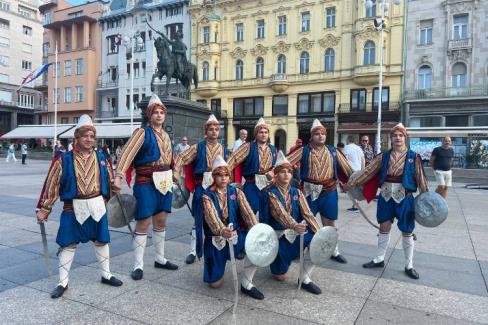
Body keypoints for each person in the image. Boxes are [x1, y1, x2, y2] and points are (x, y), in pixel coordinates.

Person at [36, 115, 123, 299]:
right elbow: (52, 185)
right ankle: (63, 282)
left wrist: (114, 187)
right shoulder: (63, 159)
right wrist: (45, 208)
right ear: (77, 137)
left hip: (97, 205)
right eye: (85, 136)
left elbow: (108, 178)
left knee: (101, 240)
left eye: (92, 136)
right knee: (69, 242)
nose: (89, 139)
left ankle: (106, 274)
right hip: (72, 206)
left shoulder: (101, 157)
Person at [344, 123, 429, 279]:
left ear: (405, 138)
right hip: (385, 195)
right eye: (395, 135)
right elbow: (368, 172)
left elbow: (421, 178)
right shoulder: (383, 156)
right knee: (384, 226)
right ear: (391, 138)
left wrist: (427, 198)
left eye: (400, 135)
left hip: (405, 197)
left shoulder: (413, 157)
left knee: (407, 230)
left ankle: (409, 265)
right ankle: (379, 259)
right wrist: (351, 184)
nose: (397, 138)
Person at [114, 94, 179, 281]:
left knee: (161, 221)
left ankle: (160, 258)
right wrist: (118, 176)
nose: (159, 115)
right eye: (155, 112)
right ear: (149, 115)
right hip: (145, 181)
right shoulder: (141, 133)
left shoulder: (166, 135)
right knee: (143, 222)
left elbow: (171, 158)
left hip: (165, 181)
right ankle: (138, 265)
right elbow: (126, 153)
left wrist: (176, 172)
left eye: (161, 112)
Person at [286, 119, 353, 264]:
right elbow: (285, 163)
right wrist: (275, 173)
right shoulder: (304, 150)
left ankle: (333, 250)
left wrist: (354, 182)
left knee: (330, 222)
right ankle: (300, 249)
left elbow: (348, 169)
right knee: (305, 222)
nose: (321, 136)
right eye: (317, 134)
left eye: (323, 134)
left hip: (329, 191)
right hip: (309, 192)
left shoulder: (333, 151)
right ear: (312, 136)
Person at [201, 155, 264, 299]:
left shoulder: (237, 192)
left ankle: (247, 284)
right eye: (219, 175)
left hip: (236, 235)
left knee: (256, 246)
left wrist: (257, 230)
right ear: (213, 177)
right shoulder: (207, 196)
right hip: (216, 240)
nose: (223, 178)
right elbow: (211, 217)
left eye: (226, 175)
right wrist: (222, 230)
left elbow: (248, 213)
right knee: (215, 284)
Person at [260, 151, 322, 294]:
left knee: (317, 240)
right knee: (279, 276)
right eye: (282, 172)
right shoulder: (269, 193)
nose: (286, 174)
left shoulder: (296, 192)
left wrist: (320, 232)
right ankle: (278, 261)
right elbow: (279, 213)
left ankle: (304, 278)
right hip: (277, 236)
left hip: (295, 231)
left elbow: (307, 213)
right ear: (275, 175)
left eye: (289, 171)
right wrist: (295, 225)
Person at [173, 114, 229, 265]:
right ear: (206, 131)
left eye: (216, 129)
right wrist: (176, 172)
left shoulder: (224, 149)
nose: (214, 132)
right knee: (197, 220)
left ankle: (218, 249)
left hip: (218, 190)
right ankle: (193, 251)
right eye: (211, 129)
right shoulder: (198, 147)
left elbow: (230, 166)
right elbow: (181, 158)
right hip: (201, 187)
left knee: (220, 218)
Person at [227, 118, 277, 214]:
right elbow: (233, 159)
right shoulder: (247, 146)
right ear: (256, 134)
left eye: (266, 132)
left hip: (268, 185)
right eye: (261, 132)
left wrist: (273, 172)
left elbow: (277, 165)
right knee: (249, 211)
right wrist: (223, 173)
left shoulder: (273, 149)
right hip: (251, 184)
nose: (263, 134)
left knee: (267, 212)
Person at [343, 136, 365, 212]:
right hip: (358, 170)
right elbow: (363, 160)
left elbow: (345, 159)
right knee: (355, 189)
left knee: (350, 189)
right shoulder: (359, 148)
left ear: (348, 140)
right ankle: (355, 206)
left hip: (351, 170)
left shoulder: (347, 147)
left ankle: (355, 206)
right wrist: (362, 170)